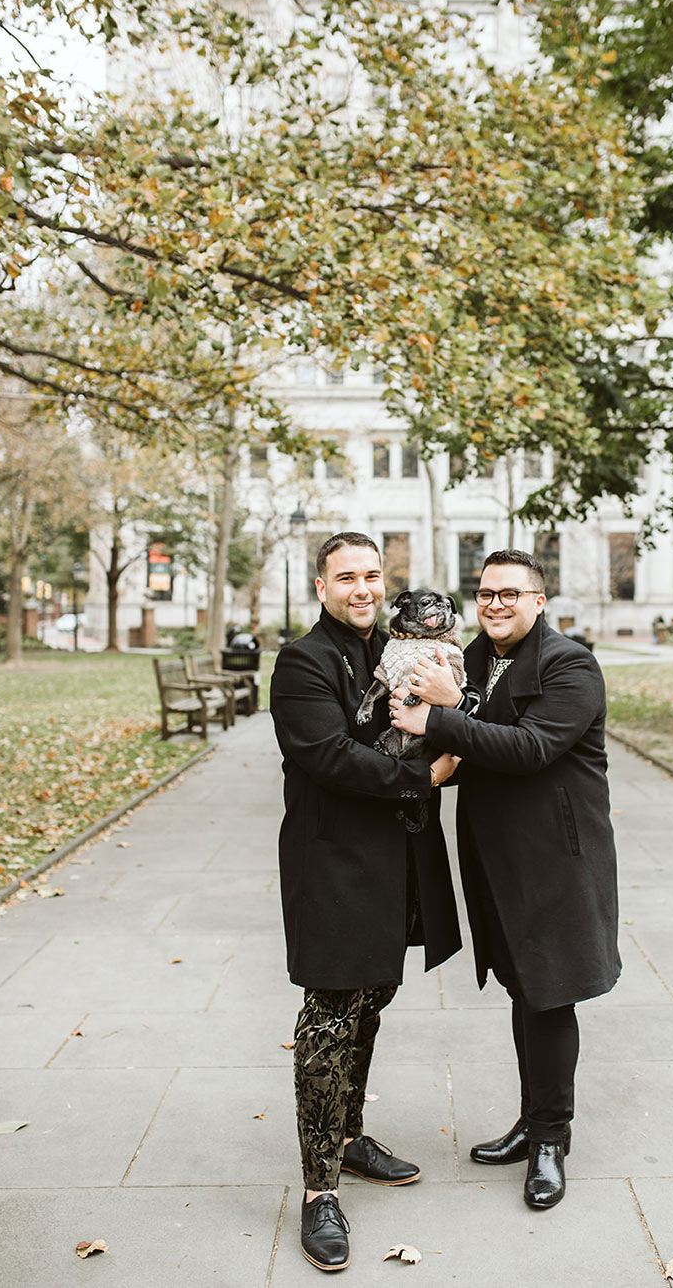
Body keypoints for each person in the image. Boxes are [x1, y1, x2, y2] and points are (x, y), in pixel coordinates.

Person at [390, 548, 621, 1211]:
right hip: (495, 855)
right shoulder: (474, 657)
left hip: (555, 858)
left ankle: (552, 1139)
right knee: (525, 986)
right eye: (486, 593)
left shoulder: (569, 664)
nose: (495, 604)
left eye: (510, 594)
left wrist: (440, 712)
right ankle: (533, 1120)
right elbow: (462, 745)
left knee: (550, 994)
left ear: (539, 601)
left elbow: (531, 747)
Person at [270, 533, 464, 1272]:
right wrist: (428, 777)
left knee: (373, 996)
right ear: (320, 587)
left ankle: (347, 1141)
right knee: (328, 1014)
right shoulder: (302, 662)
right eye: (346, 577)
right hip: (335, 863)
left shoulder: (400, 647)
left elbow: (447, 709)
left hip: (399, 855)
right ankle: (319, 1192)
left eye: (372, 575)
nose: (363, 588)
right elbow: (325, 757)